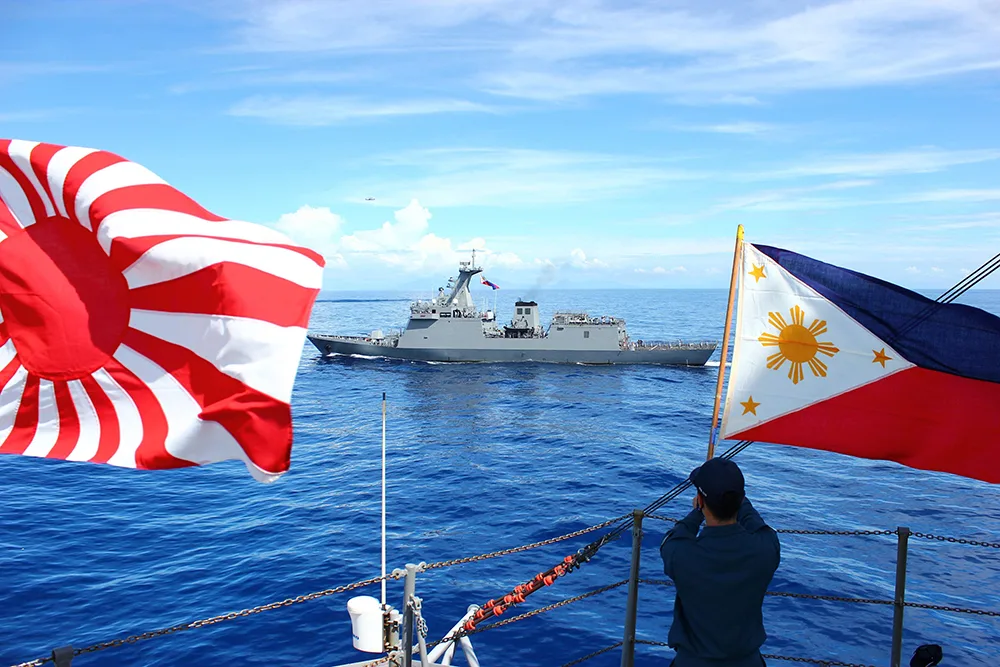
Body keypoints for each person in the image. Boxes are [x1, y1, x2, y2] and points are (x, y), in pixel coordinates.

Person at [660, 457, 780, 666]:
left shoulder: (681, 555)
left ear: (701, 500)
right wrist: (737, 501)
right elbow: (759, 526)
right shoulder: (766, 549)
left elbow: (670, 540)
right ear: (741, 499)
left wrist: (696, 514)